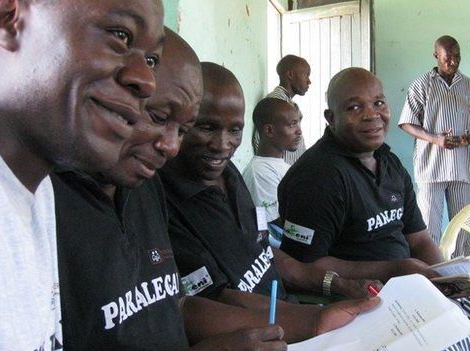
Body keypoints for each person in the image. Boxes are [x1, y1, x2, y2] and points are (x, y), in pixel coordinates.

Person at [54, 29, 287, 351]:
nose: (171, 146)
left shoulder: (144, 188)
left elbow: (172, 303)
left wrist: (299, 325)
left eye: (183, 129)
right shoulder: (46, 204)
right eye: (158, 117)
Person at [278, 67, 470, 351]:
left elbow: (420, 239)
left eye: (378, 103)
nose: (371, 115)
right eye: (354, 107)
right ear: (331, 118)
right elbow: (306, 265)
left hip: (408, 288)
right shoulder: (316, 177)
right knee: (450, 342)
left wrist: (444, 279)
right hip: (358, 301)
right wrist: (397, 269)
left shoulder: (390, 163)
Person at [160, 62, 380, 343]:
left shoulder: (228, 175)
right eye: (206, 127)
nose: (221, 144)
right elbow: (220, 300)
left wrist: (338, 284)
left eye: (235, 130)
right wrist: (313, 321)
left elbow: (266, 253)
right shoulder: (167, 203)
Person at [0, 0, 164, 349]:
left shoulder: (37, 188)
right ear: (9, 20)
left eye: (151, 60)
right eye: (120, 35)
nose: (147, 81)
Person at [399, 35, 470, 257]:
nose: (453, 62)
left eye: (457, 57)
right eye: (448, 57)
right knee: (428, 229)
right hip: (431, 167)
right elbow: (406, 123)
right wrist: (435, 139)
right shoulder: (421, 85)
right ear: (436, 56)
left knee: (463, 227)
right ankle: (430, 277)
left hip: (461, 168)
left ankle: (463, 277)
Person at [243, 98, 302, 232]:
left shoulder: (280, 165)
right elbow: (273, 225)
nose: (299, 131)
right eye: (292, 124)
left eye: (298, 124)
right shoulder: (259, 172)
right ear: (269, 130)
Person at [252, 55, 311, 165]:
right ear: (290, 75)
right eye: (306, 75)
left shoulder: (289, 104)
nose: (309, 81)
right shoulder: (276, 103)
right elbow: (259, 141)